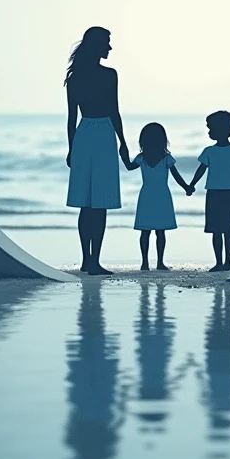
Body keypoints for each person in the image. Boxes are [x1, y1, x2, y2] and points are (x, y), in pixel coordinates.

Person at [65, 26, 130, 275]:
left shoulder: (76, 77)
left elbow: (72, 119)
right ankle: (92, 261)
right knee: (97, 203)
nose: (110, 48)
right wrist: (122, 141)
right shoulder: (108, 75)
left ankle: (88, 261)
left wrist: (72, 147)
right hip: (102, 134)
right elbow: (114, 111)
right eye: (107, 43)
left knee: (87, 203)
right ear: (97, 45)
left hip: (85, 134)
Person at [126, 122, 193, 270]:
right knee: (160, 231)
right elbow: (177, 177)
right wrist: (187, 188)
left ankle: (144, 263)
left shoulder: (141, 157)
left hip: (146, 195)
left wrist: (123, 154)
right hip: (162, 195)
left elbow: (129, 167)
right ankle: (160, 262)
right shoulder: (166, 158)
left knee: (145, 231)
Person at [188, 110, 230, 272]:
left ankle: (227, 262)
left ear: (220, 130)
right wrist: (191, 184)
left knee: (227, 230)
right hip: (214, 193)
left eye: (210, 128)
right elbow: (201, 170)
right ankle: (219, 262)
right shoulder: (209, 151)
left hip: (226, 194)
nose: (208, 131)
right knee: (216, 230)